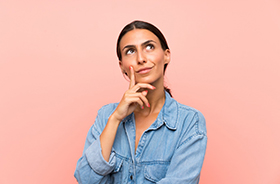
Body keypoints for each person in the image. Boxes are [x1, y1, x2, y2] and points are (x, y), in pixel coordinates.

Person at [74, 20, 207, 184]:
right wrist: (115, 119)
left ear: (166, 55)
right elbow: (86, 179)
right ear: (122, 66)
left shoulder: (189, 122)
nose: (141, 58)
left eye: (149, 47)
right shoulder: (106, 116)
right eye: (130, 51)